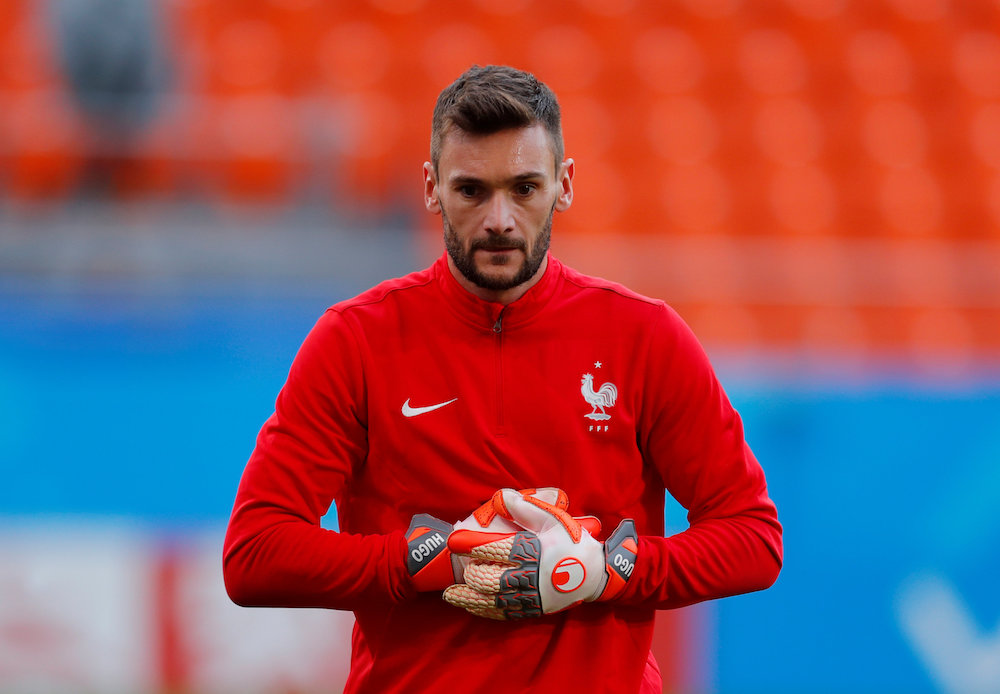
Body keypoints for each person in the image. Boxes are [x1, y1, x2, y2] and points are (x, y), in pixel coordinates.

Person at [223, 64, 782, 694]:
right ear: (431, 188)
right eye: (471, 190)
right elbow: (255, 553)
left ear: (564, 185)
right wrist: (435, 558)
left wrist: (606, 570)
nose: (499, 219)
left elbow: (753, 538)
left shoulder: (645, 337)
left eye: (524, 188)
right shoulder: (355, 341)